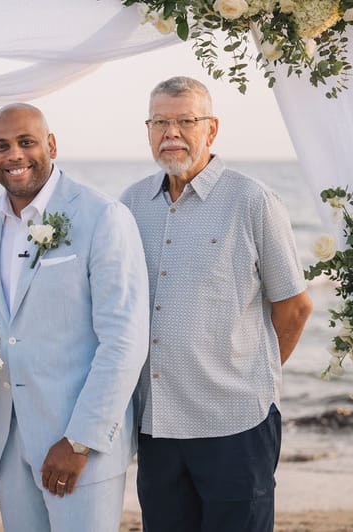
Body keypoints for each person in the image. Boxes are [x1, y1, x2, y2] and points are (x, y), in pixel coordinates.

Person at [120, 76, 314, 532]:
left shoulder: (252, 200)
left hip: (236, 424)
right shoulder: (129, 205)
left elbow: (295, 306)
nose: (172, 133)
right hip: (158, 427)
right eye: (160, 122)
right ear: (148, 129)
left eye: (186, 121)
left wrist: (249, 375)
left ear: (212, 128)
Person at [0, 103, 150, 532]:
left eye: (26, 142)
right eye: (1, 146)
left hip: (79, 448)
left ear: (51, 144)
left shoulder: (103, 217)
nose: (14, 155)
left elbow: (124, 341)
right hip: (10, 448)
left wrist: (80, 441)